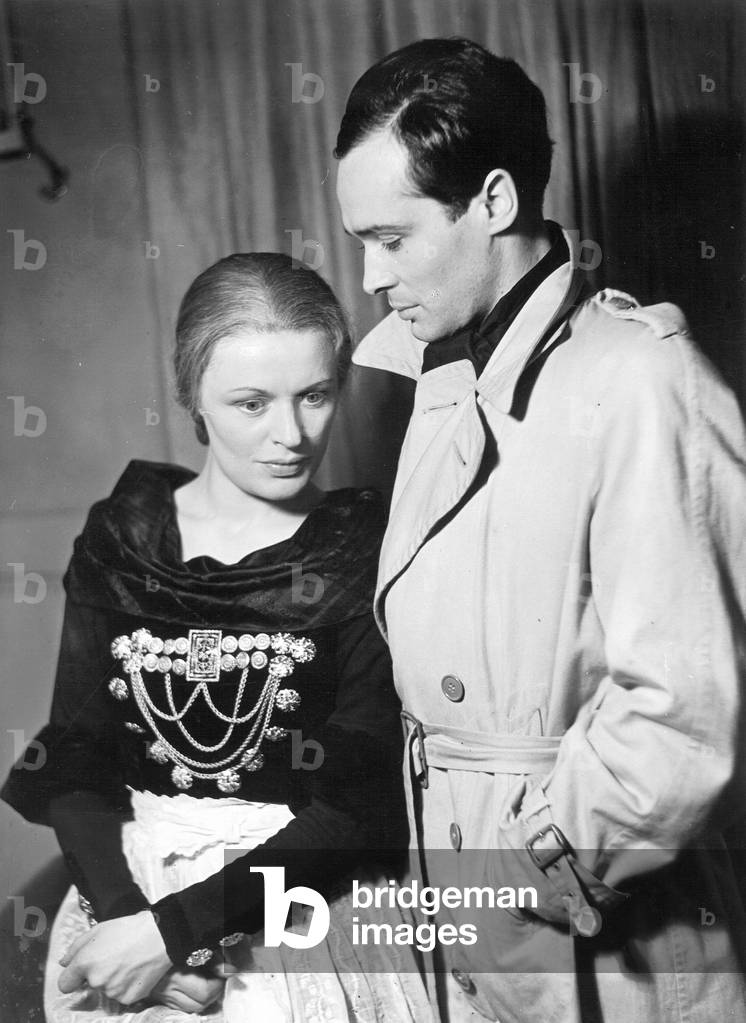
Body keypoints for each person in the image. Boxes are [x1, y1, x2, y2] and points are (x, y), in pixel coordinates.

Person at [334, 36, 746, 1023]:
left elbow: (679, 713)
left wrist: (532, 886)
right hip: (469, 914)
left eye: (390, 239)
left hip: (592, 934)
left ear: (492, 201)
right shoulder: (429, 371)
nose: (368, 277)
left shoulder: (638, 380)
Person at [1, 253, 433, 1023]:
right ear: (191, 397)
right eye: (250, 403)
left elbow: (360, 806)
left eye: (315, 395)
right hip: (125, 910)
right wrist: (131, 928)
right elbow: (75, 759)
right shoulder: (122, 536)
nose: (291, 434)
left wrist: (176, 937)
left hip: (297, 917)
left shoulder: (369, 546)